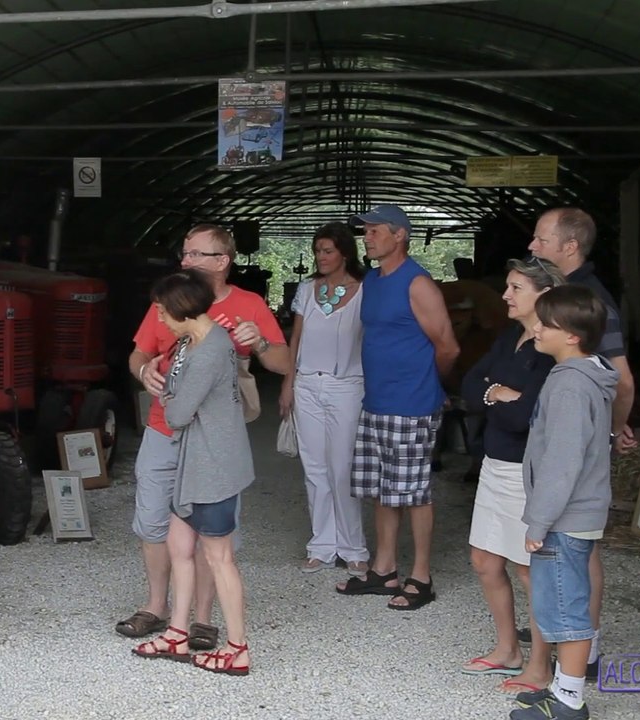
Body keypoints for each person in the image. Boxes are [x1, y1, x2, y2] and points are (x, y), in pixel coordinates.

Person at [118, 223, 289, 651]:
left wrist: (260, 344)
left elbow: (285, 364)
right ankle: (156, 607)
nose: (185, 260)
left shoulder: (249, 304)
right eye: (185, 252)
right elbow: (138, 353)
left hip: (209, 440)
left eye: (195, 253)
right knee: (154, 523)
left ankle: (202, 619)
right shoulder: (170, 299)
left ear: (222, 260)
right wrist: (144, 371)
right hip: (163, 430)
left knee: (211, 532)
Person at [527, 207, 637, 674]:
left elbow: (622, 379)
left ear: (570, 246)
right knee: (569, 569)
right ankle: (573, 646)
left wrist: (608, 432)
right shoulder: (567, 299)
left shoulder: (589, 304)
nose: (532, 246)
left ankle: (580, 657)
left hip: (571, 484)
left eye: (541, 239)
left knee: (572, 565)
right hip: (569, 448)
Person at [335, 204, 459, 610]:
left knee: (415, 491)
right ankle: (384, 569)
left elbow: (448, 346)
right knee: (382, 488)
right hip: (377, 400)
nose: (367, 237)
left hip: (412, 403)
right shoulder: (373, 279)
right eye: (365, 231)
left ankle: (421, 577)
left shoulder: (418, 283)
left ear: (400, 234)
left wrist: (430, 383)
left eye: (375, 231)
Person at [130, 269, 253, 676]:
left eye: (163, 311)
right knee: (179, 546)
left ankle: (238, 649)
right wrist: (171, 391)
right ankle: (176, 634)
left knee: (219, 557)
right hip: (192, 461)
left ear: (182, 309)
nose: (159, 318)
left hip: (213, 465)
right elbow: (176, 395)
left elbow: (177, 414)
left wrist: (170, 395)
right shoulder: (189, 342)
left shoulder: (209, 351)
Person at [458, 257, 565, 694]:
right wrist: (496, 393)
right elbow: (467, 384)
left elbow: (525, 417)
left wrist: (495, 397)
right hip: (495, 461)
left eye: (516, 287)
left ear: (545, 295)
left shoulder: (550, 348)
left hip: (527, 470)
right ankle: (508, 650)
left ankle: (540, 666)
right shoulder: (509, 336)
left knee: (528, 570)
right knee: (484, 560)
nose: (505, 295)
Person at [511, 284, 618, 720]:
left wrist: (539, 522)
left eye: (546, 324)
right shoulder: (584, 374)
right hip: (574, 512)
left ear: (572, 335)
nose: (536, 329)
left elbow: (561, 461)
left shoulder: (571, 386)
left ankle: (570, 700)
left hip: (565, 516)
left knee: (564, 607)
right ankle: (560, 687)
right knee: (561, 601)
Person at [277, 222, 369, 576]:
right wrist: (288, 383)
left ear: (345, 252)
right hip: (307, 385)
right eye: (318, 251)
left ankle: (353, 547)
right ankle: (321, 546)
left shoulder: (365, 289)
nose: (321, 257)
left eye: (327, 250)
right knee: (314, 468)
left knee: (342, 468)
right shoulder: (306, 289)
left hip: (348, 385)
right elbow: (295, 339)